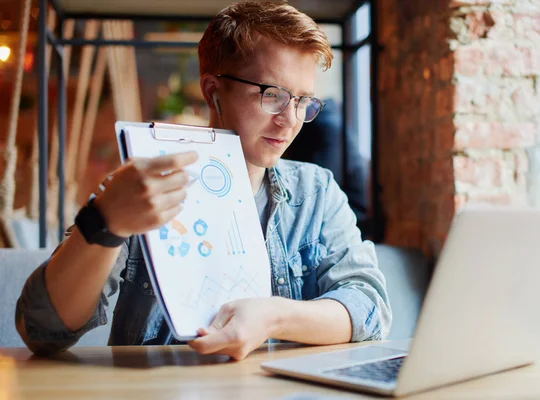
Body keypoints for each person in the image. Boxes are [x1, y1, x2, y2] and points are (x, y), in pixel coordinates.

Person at [16, 1, 391, 360]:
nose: (290, 119)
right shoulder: (146, 186)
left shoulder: (315, 193)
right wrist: (104, 222)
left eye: (302, 101)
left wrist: (274, 316)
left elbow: (369, 307)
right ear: (213, 92)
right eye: (272, 95)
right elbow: (42, 330)